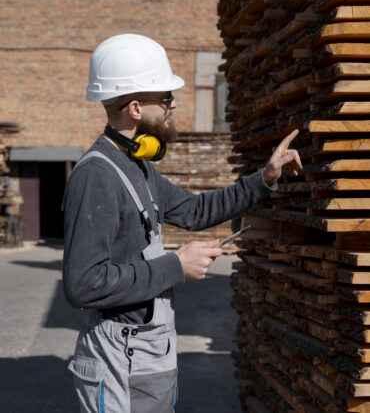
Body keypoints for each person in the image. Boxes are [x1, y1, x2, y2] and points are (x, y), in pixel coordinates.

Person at [62, 34, 302, 413]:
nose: (173, 105)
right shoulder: (96, 176)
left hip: (146, 352)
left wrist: (265, 178)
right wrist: (176, 265)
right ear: (137, 108)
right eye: (166, 98)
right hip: (119, 359)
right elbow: (83, 284)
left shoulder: (138, 166)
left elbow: (195, 211)